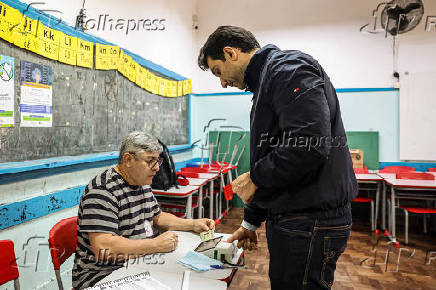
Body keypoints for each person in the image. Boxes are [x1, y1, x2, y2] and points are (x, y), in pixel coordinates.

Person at [198, 26, 358, 289]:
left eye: (218, 72)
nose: (223, 83)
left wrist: (256, 176)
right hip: (297, 219)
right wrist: (251, 221)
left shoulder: (287, 69)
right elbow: (273, 157)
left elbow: (309, 144)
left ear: (230, 53)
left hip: (309, 221)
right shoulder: (269, 80)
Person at [72, 132, 215, 289]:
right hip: (100, 276)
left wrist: (192, 224)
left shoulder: (142, 182)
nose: (157, 168)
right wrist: (155, 245)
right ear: (128, 160)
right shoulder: (103, 190)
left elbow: (157, 217)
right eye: (150, 161)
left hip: (135, 264)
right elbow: (105, 248)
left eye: (158, 160)